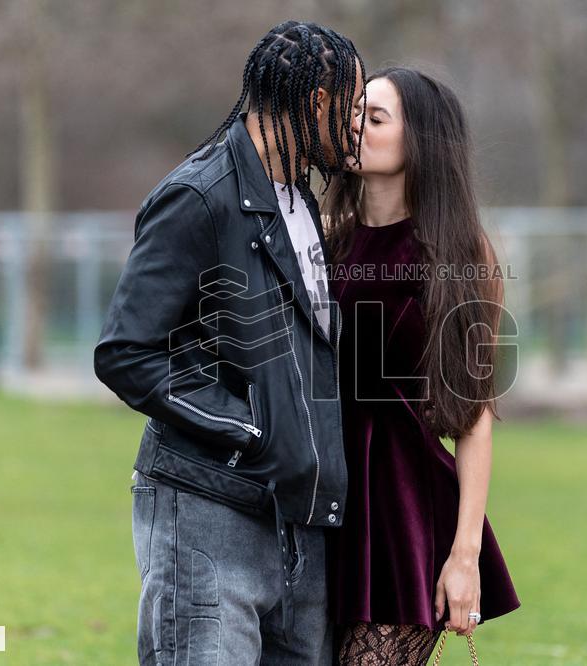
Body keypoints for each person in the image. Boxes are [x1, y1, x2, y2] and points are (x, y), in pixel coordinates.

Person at [93, 21, 366, 665]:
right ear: (317, 102)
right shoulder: (198, 196)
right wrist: (250, 430)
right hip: (207, 516)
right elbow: (126, 352)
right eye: (353, 108)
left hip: (300, 528)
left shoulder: (300, 201)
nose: (358, 126)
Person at [323, 67, 521, 664]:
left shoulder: (460, 255)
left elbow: (473, 417)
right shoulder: (326, 241)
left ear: (420, 142)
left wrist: (464, 557)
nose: (355, 126)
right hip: (320, 501)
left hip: (404, 513)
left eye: (375, 118)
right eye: (354, 113)